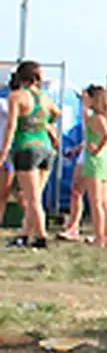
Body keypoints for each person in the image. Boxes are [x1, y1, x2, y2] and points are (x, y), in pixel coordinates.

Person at [0, 61, 58, 249]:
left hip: (26, 147)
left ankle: (41, 237)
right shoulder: (44, 98)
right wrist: (45, 124)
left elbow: (11, 125)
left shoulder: (17, 97)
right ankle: (24, 235)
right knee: (35, 196)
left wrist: (4, 151)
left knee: (32, 199)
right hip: (45, 147)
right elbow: (55, 114)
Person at [79, 85, 107, 248]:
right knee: (104, 202)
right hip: (104, 162)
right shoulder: (104, 117)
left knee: (96, 203)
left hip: (95, 162)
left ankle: (100, 237)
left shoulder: (98, 118)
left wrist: (98, 148)